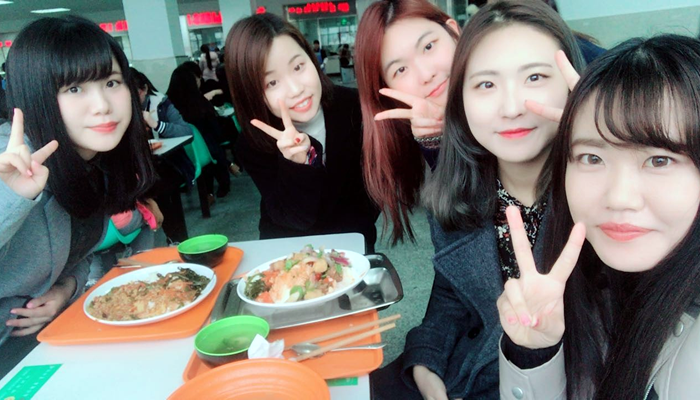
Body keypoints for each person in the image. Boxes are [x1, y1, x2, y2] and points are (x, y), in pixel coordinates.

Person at [370, 1, 585, 399]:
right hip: (465, 366)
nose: (511, 107)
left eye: (535, 77)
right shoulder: (456, 180)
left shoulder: (602, 194)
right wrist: (425, 359)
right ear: (462, 97)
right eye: (486, 85)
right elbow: (453, 288)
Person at [498, 34, 700, 400]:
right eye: (592, 157)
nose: (619, 197)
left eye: (659, 160)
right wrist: (535, 353)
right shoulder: (593, 282)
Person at [0, 16, 155, 377]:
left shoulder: (95, 158)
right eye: (74, 89)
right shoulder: (11, 159)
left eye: (111, 82)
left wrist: (67, 288)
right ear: (36, 96)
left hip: (43, 344)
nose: (102, 105)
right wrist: (10, 197)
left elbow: (87, 249)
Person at [224, 13, 380, 252]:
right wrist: (297, 164)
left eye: (298, 67)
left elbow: (375, 191)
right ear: (252, 92)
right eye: (272, 83)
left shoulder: (355, 108)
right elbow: (295, 218)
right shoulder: (252, 142)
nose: (296, 89)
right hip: (287, 252)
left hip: (352, 247)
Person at [355, 0, 459, 244]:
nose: (426, 74)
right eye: (400, 70)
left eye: (429, 46)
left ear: (454, 31)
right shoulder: (418, 143)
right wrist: (436, 146)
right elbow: (460, 245)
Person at [166, 65, 232, 198]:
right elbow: (216, 130)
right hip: (207, 152)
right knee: (214, 143)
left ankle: (209, 192)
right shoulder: (199, 104)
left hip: (183, 154)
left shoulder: (169, 106)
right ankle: (225, 177)